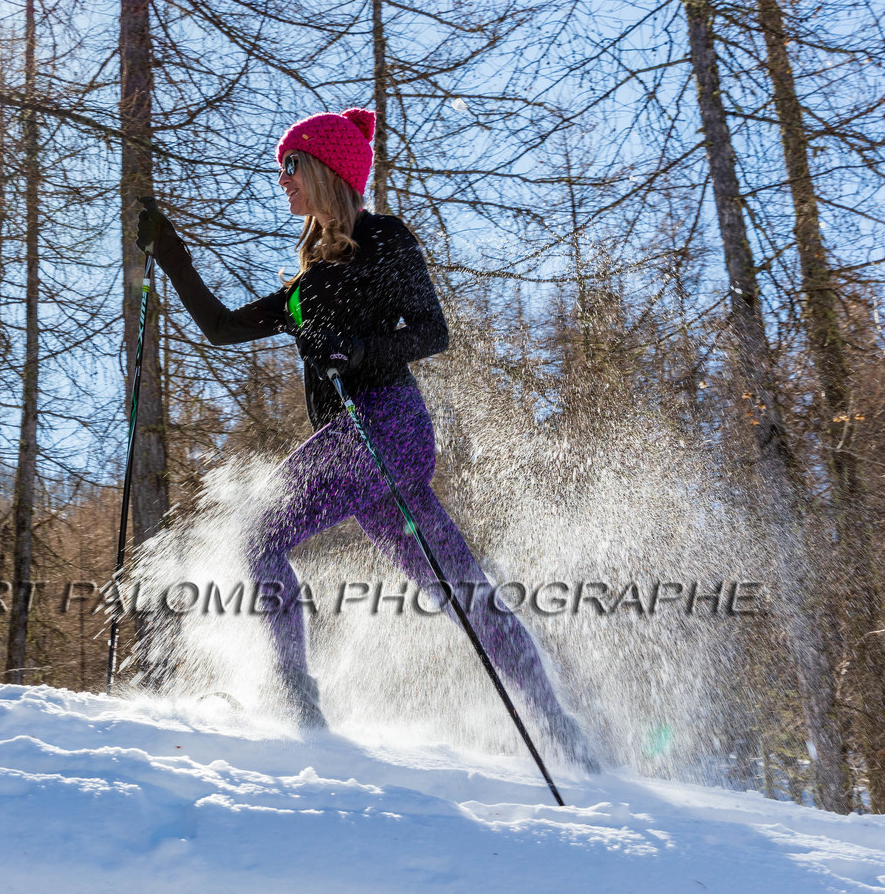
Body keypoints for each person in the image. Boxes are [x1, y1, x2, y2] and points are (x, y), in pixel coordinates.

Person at [134, 107, 595, 769]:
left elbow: (431, 331)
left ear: (327, 168)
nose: (284, 181)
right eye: (281, 169)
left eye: (292, 165)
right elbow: (220, 329)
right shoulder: (303, 286)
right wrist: (169, 250)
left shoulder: (384, 240)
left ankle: (296, 701)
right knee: (460, 590)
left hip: (388, 426)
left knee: (258, 534)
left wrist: (353, 350)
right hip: (365, 451)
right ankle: (562, 732)